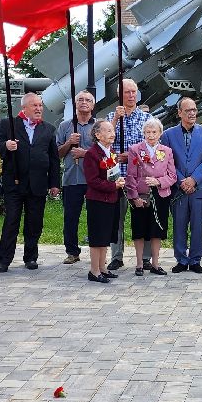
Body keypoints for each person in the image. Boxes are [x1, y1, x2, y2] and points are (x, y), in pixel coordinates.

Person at [0, 93, 61, 272]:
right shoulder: (9, 124)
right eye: (34, 105)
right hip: (14, 182)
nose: (39, 109)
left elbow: (54, 159)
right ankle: (4, 260)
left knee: (34, 223)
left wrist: (54, 183)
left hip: (38, 183)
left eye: (40, 105)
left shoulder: (48, 129)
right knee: (11, 221)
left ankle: (31, 257)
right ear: (24, 108)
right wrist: (6, 145)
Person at [161, 97, 202, 274]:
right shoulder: (168, 135)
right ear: (179, 113)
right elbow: (167, 162)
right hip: (178, 189)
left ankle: (195, 259)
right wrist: (181, 180)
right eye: (188, 110)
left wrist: (193, 179)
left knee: (198, 225)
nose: (192, 113)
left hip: (199, 187)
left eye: (194, 109)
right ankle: (181, 260)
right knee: (179, 224)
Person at [106, 79, 152, 270]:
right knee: (116, 219)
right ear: (119, 94)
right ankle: (116, 256)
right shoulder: (112, 116)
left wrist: (132, 155)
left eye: (134, 91)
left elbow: (151, 148)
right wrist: (116, 120)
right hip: (118, 177)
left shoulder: (146, 118)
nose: (131, 95)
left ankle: (145, 257)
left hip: (139, 178)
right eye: (127, 92)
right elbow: (104, 142)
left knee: (142, 217)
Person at [126, 117, 177, 275]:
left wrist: (158, 181)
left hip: (160, 196)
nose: (151, 135)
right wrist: (134, 197)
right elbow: (131, 176)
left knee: (157, 230)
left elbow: (172, 176)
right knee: (139, 230)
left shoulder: (167, 151)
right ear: (143, 133)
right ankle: (139, 264)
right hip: (141, 195)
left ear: (160, 133)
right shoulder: (135, 149)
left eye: (154, 132)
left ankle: (155, 263)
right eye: (148, 132)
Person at [56, 91, 97, 264]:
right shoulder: (65, 126)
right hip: (72, 178)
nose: (84, 102)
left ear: (93, 104)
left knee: (95, 217)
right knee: (71, 217)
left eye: (88, 100)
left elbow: (105, 153)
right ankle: (72, 252)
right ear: (75, 103)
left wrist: (85, 153)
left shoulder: (99, 126)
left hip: (94, 179)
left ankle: (97, 251)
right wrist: (69, 143)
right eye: (80, 99)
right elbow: (57, 154)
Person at [82, 119, 122, 284]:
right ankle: (94, 270)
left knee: (106, 235)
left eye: (113, 130)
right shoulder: (92, 154)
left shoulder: (111, 152)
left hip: (111, 199)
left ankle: (102, 268)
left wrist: (119, 181)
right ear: (98, 135)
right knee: (97, 236)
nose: (112, 134)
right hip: (97, 200)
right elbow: (92, 180)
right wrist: (113, 185)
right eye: (108, 131)